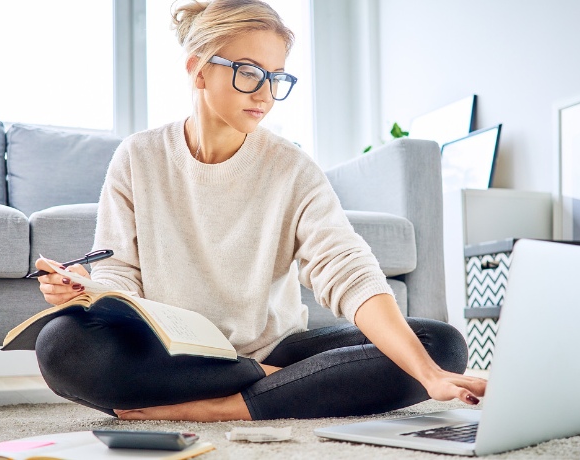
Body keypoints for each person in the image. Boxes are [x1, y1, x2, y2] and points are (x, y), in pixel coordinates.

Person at [34, 0, 486, 421]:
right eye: (249, 72)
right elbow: (119, 273)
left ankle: (218, 406)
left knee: (440, 347)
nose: (265, 93)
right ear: (198, 70)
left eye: (276, 77)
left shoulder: (293, 168)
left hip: (275, 351)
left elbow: (346, 268)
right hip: (171, 352)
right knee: (61, 344)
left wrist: (428, 374)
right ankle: (281, 391)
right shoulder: (138, 157)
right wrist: (88, 291)